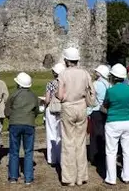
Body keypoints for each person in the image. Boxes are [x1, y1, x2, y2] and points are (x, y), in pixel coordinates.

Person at [57, 47, 94, 187]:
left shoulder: (63, 74)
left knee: (68, 143)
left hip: (68, 107)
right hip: (82, 107)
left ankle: (69, 178)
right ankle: (81, 177)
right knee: (80, 142)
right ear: (77, 60)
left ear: (66, 60)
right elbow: (91, 91)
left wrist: (57, 95)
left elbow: (60, 96)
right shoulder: (85, 73)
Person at [103, 63, 129, 185]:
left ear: (113, 77)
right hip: (128, 121)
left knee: (111, 151)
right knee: (127, 150)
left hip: (113, 122)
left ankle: (111, 178)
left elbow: (105, 105)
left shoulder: (110, 91)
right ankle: (128, 176)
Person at [5, 72, 39, 185]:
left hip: (15, 124)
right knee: (28, 151)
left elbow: (7, 111)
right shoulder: (33, 96)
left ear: (18, 84)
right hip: (29, 124)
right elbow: (36, 111)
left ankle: (13, 177)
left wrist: (13, 117)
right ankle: (28, 178)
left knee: (14, 151)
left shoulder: (13, 95)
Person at [87, 65, 111, 166]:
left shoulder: (96, 84)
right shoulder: (108, 84)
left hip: (96, 111)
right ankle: (102, 154)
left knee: (94, 135)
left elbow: (91, 98)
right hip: (105, 111)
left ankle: (93, 156)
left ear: (99, 74)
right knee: (103, 134)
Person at [44, 63, 66, 166]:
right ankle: (61, 157)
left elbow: (47, 99)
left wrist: (44, 103)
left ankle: (52, 158)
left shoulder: (50, 84)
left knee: (51, 133)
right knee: (60, 134)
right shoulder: (65, 84)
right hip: (62, 109)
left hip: (51, 109)